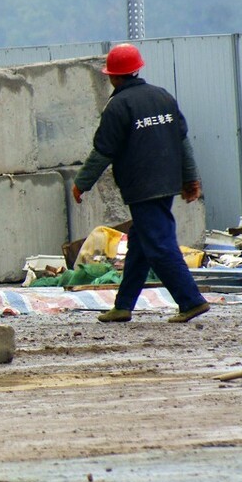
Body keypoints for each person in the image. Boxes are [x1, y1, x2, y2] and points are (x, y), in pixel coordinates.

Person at [72, 43, 208, 324]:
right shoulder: (163, 97)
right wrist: (190, 178)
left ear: (112, 76)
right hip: (168, 183)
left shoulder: (117, 106)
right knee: (141, 243)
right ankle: (123, 306)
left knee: (159, 244)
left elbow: (102, 152)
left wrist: (81, 184)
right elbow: (182, 141)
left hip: (142, 187)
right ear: (137, 69)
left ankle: (191, 301)